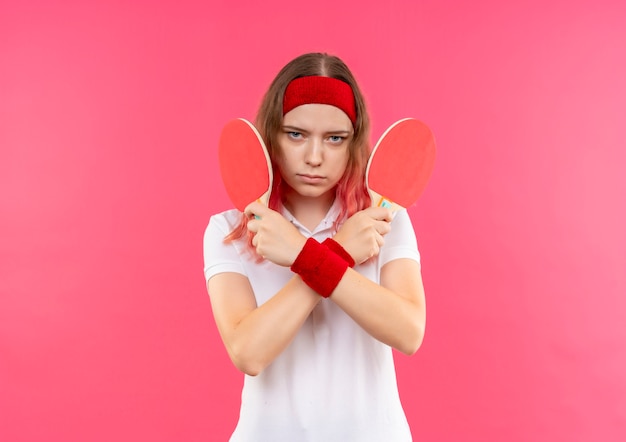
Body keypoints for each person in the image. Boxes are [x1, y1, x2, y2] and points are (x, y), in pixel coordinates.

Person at [203, 52, 426, 441]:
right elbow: (248, 352)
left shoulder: (383, 220)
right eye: (296, 134)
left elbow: (408, 332)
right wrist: (333, 254)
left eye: (334, 139)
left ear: (352, 142)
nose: (314, 157)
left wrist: (306, 255)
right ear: (272, 133)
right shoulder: (230, 229)